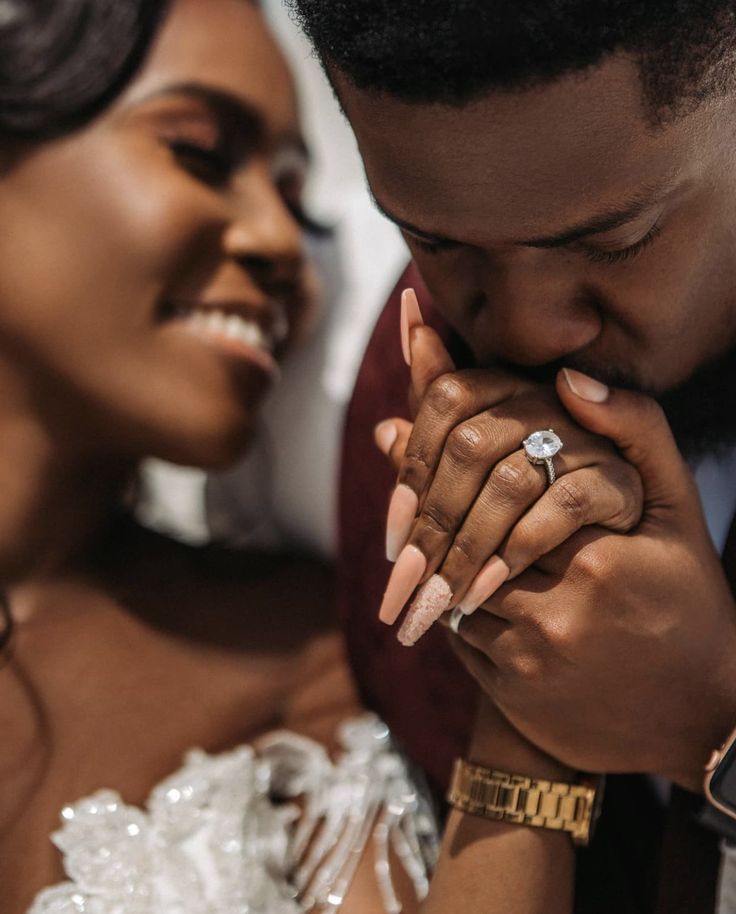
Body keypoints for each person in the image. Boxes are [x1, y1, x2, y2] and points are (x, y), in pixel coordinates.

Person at [0, 2, 600, 912]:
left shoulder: (298, 655)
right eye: (200, 153)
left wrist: (531, 674)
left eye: (293, 195)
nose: (284, 246)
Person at [285, 1, 736, 910]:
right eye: (435, 241)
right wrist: (529, 693)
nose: (529, 332)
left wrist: (706, 722)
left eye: (613, 242)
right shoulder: (414, 399)